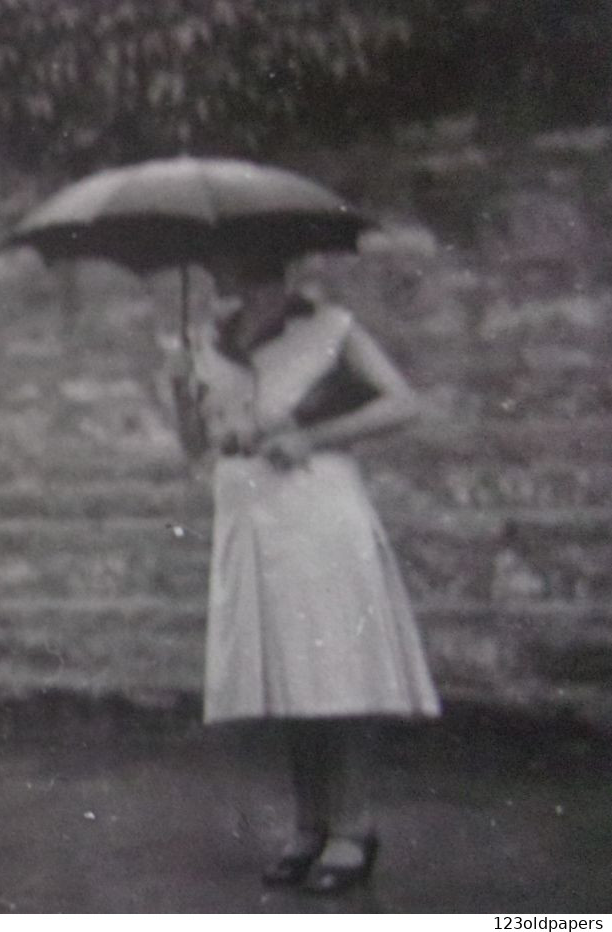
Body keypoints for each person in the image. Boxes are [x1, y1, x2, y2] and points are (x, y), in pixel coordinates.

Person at [174, 251, 441, 895]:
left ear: (282, 275)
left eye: (252, 273)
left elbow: (404, 404)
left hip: (317, 508)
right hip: (248, 515)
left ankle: (353, 827)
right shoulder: (204, 344)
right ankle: (309, 824)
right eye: (228, 272)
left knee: (333, 669)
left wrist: (314, 437)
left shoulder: (331, 330)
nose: (234, 285)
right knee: (286, 673)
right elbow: (195, 446)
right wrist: (180, 389)